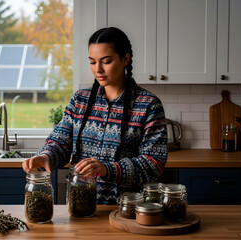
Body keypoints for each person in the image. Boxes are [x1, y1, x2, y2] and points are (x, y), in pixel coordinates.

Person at [22, 27, 167, 204]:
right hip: (78, 208)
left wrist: (107, 170)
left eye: (106, 61)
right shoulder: (80, 100)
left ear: (125, 59)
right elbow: (60, 141)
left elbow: (154, 164)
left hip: (126, 211)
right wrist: (46, 156)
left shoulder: (149, 105)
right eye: (92, 62)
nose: (98, 69)